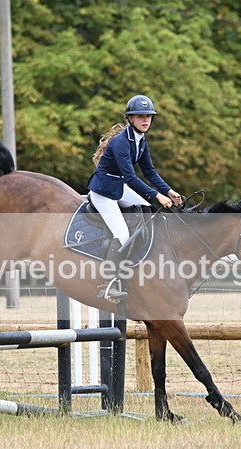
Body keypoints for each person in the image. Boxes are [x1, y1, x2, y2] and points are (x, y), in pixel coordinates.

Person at [87, 94, 182, 302]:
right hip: (103, 192)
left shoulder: (141, 140)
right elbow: (130, 177)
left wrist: (168, 191)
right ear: (130, 118)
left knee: (147, 210)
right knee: (121, 235)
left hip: (118, 187)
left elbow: (149, 172)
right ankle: (109, 284)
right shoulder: (121, 142)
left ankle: (137, 264)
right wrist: (157, 195)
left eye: (148, 116)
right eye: (140, 116)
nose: (145, 120)